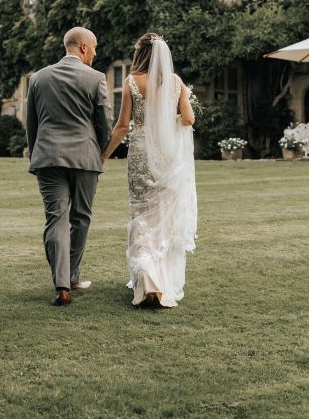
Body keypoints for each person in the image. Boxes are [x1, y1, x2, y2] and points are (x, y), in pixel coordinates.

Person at [101, 32, 197, 308]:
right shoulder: (176, 82)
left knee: (141, 214)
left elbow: (122, 126)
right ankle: (160, 280)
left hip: (142, 152)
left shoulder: (132, 82)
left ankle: (147, 280)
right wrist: (166, 123)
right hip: (167, 155)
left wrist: (104, 155)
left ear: (140, 54)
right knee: (162, 217)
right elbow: (189, 118)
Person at [26, 26, 112, 306]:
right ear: (84, 47)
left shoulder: (38, 78)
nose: (95, 53)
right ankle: (72, 276)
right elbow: (104, 122)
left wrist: (36, 156)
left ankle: (62, 284)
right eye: (94, 47)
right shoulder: (96, 78)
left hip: (47, 157)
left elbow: (31, 125)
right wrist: (101, 152)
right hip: (86, 157)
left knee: (56, 219)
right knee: (81, 217)